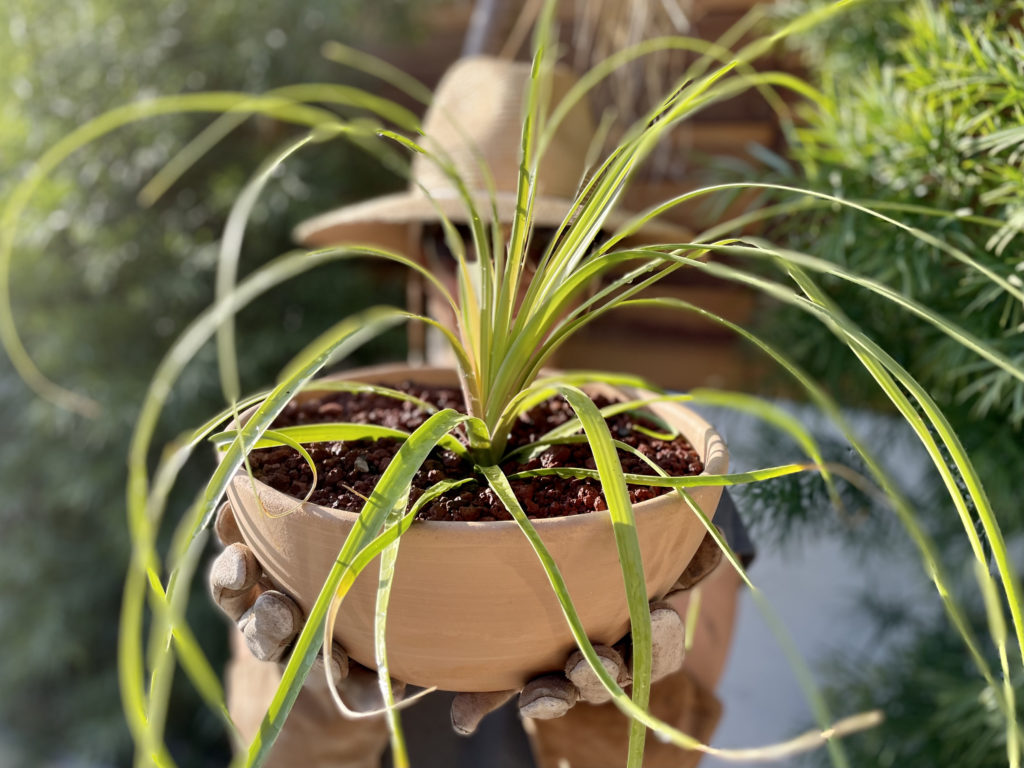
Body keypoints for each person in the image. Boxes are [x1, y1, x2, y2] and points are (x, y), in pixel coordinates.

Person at [210, 55, 752, 768]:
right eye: (458, 238)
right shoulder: (308, 458)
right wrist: (312, 680)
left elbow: (671, 752)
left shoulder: (663, 480)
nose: (492, 279)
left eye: (537, 245)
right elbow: (270, 752)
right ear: (418, 259)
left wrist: (613, 708)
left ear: (580, 274)